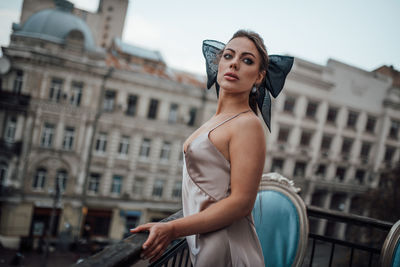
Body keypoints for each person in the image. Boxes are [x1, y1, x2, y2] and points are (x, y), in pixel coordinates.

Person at [130, 29, 293, 266]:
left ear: (259, 76)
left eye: (247, 60)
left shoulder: (248, 124)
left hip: (225, 246)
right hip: (205, 241)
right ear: (218, 64)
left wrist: (172, 228)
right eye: (228, 56)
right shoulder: (216, 120)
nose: (234, 63)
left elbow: (241, 203)